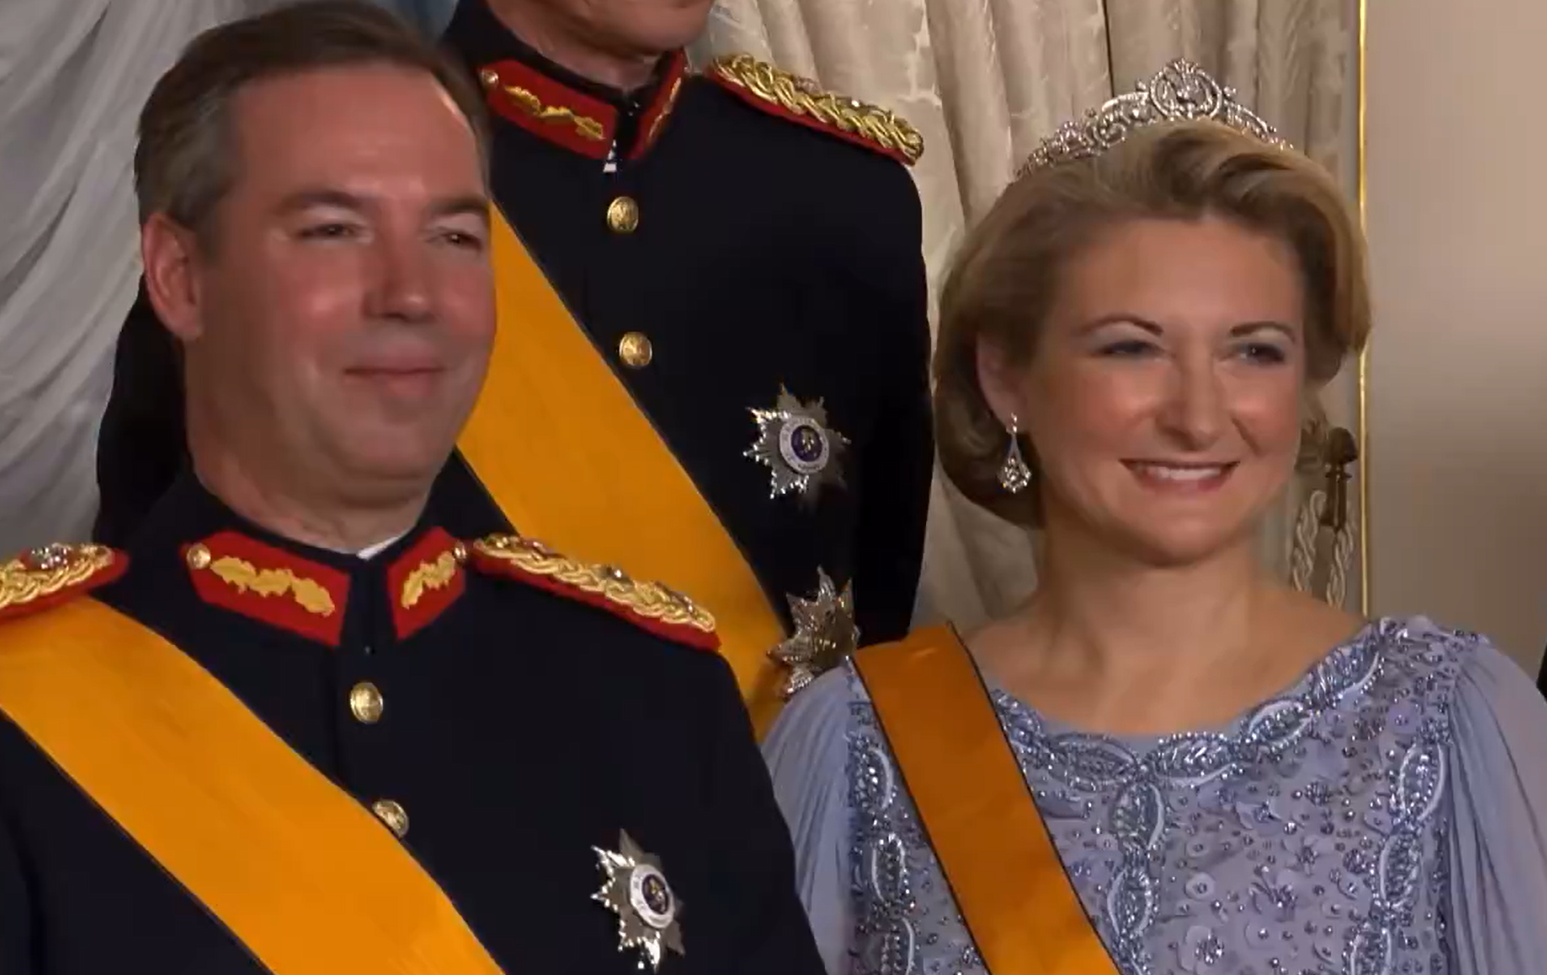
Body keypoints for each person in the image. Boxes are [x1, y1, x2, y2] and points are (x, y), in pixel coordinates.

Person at [0, 5, 825, 972]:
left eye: (454, 237)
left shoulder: (661, 699)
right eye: (334, 229)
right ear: (179, 277)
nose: (411, 293)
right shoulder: (27, 719)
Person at [761, 60, 1547, 975]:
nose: (1198, 417)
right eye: (1130, 348)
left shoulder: (1450, 719)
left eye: (1254, 352)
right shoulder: (855, 740)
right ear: (1005, 376)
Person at [93, 0, 935, 733]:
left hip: (779, 847)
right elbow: (167, 615)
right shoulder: (291, 166)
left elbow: (879, 604)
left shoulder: (844, 200)